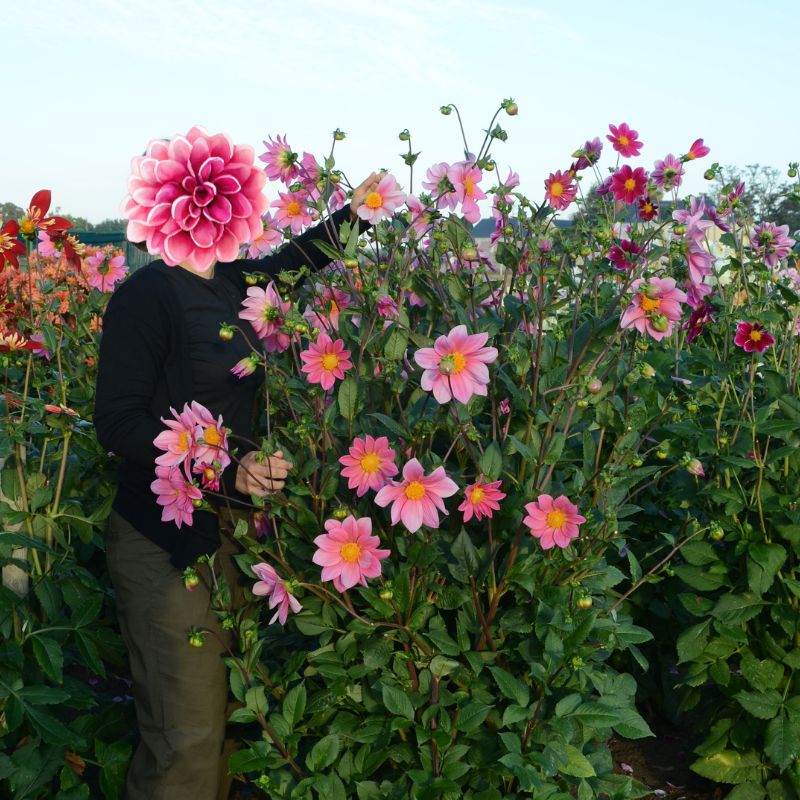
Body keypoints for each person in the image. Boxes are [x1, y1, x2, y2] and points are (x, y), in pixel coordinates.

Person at [94, 149, 380, 799]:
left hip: (234, 531)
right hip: (163, 540)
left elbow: (298, 260)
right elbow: (116, 422)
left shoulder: (239, 283)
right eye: (193, 203)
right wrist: (225, 469)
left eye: (219, 201)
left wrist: (361, 210)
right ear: (163, 211)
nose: (208, 214)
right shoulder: (144, 297)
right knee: (185, 735)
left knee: (227, 721)